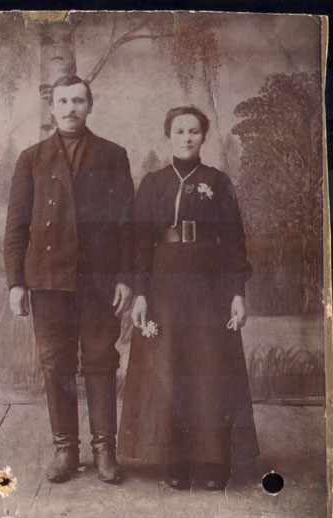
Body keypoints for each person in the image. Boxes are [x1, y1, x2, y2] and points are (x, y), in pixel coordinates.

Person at [118, 105, 259, 490]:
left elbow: (235, 243)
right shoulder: (153, 183)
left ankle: (212, 461)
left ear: (203, 137)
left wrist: (237, 293)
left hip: (209, 286)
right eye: (179, 131)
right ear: (168, 136)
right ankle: (175, 459)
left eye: (193, 131)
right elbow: (140, 244)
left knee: (209, 369)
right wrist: (141, 294)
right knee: (171, 367)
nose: (186, 137)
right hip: (164, 285)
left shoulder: (218, 181)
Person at [3, 74, 134, 485]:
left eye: (78, 100)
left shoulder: (113, 155)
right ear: (52, 108)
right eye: (63, 101)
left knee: (101, 359)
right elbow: (16, 226)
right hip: (48, 279)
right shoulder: (32, 158)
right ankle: (65, 449)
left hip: (98, 281)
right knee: (56, 363)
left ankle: (105, 450)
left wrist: (125, 277)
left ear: (89, 106)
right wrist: (16, 283)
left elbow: (127, 224)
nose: (70, 108)